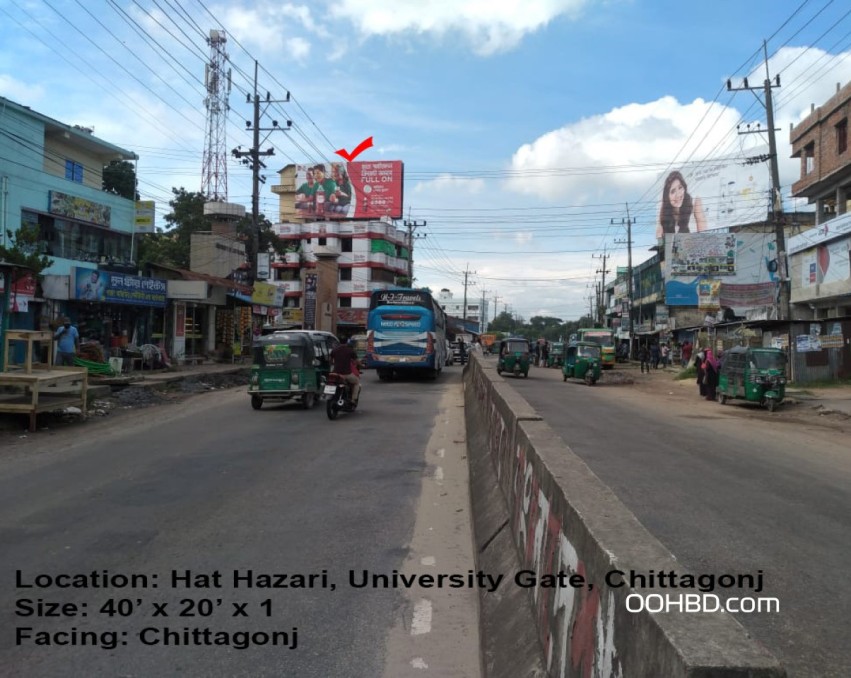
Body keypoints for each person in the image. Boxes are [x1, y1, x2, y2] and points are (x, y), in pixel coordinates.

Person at [656, 170, 708, 238]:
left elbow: (704, 236)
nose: (678, 195)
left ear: (684, 187)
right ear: (667, 197)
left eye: (680, 187)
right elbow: (659, 240)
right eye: (673, 191)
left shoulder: (695, 202)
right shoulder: (664, 210)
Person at [330, 338, 361, 403]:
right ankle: (353, 399)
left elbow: (330, 360)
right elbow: (356, 361)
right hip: (346, 374)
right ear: (347, 343)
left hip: (335, 373)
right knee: (357, 382)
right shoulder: (350, 351)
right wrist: (362, 365)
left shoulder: (334, 350)